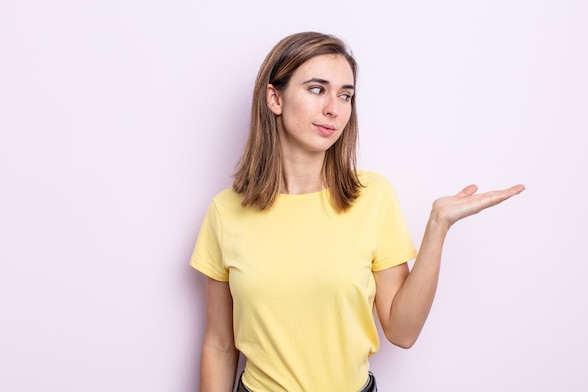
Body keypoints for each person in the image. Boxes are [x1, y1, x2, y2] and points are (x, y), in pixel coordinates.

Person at [190, 31, 525, 392]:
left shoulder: (372, 197)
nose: (334, 108)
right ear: (275, 98)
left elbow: (402, 331)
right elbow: (219, 344)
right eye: (317, 89)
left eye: (346, 95)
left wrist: (438, 226)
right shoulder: (226, 212)